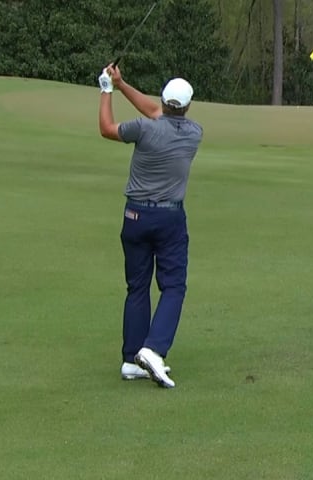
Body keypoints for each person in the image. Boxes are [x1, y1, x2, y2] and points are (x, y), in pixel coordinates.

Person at [97, 64, 203, 388]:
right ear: (186, 106)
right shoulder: (194, 132)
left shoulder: (144, 128)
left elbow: (107, 128)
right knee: (173, 286)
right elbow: (158, 110)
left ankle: (131, 359)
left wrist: (107, 89)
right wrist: (121, 83)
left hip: (135, 217)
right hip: (169, 219)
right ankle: (154, 350)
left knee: (137, 287)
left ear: (164, 100)